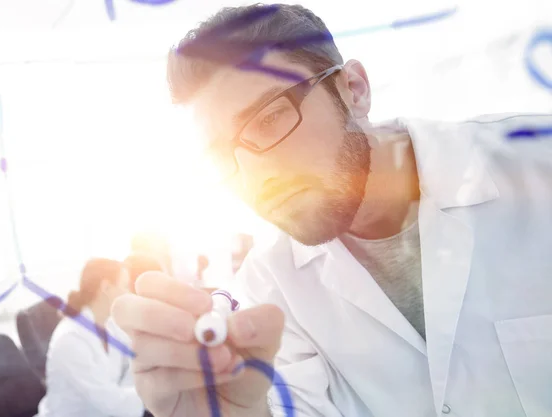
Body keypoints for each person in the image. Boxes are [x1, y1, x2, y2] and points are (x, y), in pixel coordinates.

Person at [111, 3, 552, 417]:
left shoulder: (537, 168)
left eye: (268, 119)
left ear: (353, 90)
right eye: (219, 156)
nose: (253, 176)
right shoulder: (270, 288)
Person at [37, 258, 146, 417]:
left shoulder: (110, 325)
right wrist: (152, 392)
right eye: (125, 286)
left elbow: (136, 361)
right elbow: (110, 403)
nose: (128, 293)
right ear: (106, 287)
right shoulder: (70, 339)